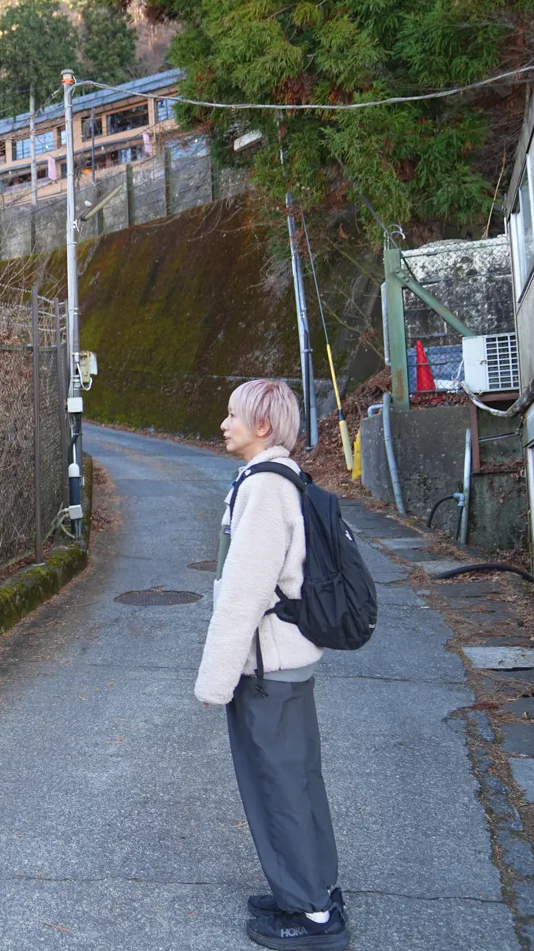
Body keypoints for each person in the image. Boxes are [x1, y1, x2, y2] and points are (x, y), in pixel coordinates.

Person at [195, 378, 349, 950]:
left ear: (262, 425)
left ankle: (310, 916)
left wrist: (216, 678)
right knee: (298, 780)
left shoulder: (263, 488)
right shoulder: (287, 479)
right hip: (291, 661)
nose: (224, 424)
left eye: (233, 414)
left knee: (277, 787)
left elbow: (244, 591)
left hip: (266, 669)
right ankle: (311, 888)